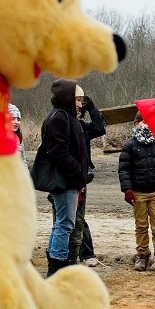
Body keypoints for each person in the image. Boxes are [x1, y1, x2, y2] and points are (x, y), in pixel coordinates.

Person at [40, 79, 88, 277]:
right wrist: (77, 172)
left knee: (63, 222)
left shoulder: (67, 117)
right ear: (68, 98)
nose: (80, 104)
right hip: (65, 180)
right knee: (65, 223)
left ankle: (57, 262)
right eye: (77, 99)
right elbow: (58, 152)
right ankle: (56, 268)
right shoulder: (58, 118)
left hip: (71, 179)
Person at [118, 111, 155, 274]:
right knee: (141, 226)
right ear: (136, 124)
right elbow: (124, 170)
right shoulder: (129, 146)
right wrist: (127, 189)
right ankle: (142, 256)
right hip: (138, 192)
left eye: (148, 121)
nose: (145, 125)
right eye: (142, 121)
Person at [69, 91, 106, 267]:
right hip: (64, 177)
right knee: (66, 218)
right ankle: (65, 254)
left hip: (81, 178)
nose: (77, 115)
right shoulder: (61, 124)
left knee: (79, 217)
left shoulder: (84, 128)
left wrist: (91, 107)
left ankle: (87, 253)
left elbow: (100, 127)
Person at [8, 103, 28, 167]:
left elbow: (23, 161)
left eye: (18, 119)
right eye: (12, 119)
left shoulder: (18, 139)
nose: (16, 122)